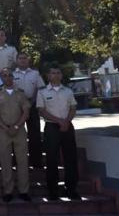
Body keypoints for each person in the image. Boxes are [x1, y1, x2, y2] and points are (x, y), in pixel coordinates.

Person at [37, 65, 80, 200]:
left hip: (67, 126)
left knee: (70, 158)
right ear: (48, 76)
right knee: (51, 159)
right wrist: (59, 121)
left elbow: (73, 108)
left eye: (58, 73)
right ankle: (53, 190)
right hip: (51, 127)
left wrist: (66, 121)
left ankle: (71, 189)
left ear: (61, 75)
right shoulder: (42, 92)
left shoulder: (68, 91)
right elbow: (42, 111)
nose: (55, 75)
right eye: (53, 73)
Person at [0, 69, 31, 202]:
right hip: (3, 131)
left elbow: (26, 112)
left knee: (22, 161)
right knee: (5, 161)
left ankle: (24, 191)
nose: (7, 78)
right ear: (1, 78)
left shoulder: (21, 93)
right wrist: (5, 127)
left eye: (10, 75)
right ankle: (8, 191)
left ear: (13, 77)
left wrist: (16, 126)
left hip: (19, 130)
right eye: (5, 76)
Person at [13, 52, 46, 168]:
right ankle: (17, 162)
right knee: (17, 134)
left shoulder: (35, 73)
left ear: (28, 60)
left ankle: (36, 162)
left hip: (32, 105)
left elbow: (40, 88)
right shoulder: (12, 74)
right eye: (20, 58)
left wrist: (32, 101)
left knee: (34, 134)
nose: (22, 60)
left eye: (25, 58)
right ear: (16, 60)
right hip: (17, 107)